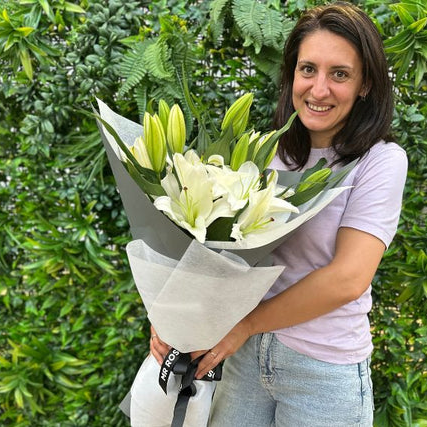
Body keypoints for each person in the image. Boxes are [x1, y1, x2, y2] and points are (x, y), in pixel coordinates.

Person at [150, 2, 408, 426]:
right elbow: (218, 251)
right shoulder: (265, 151)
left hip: (322, 371)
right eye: (308, 70)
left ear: (365, 85)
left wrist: (246, 325)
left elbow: (348, 278)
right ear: (292, 75)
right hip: (245, 359)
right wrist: (173, 320)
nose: (319, 89)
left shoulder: (379, 161)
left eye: (339, 74)